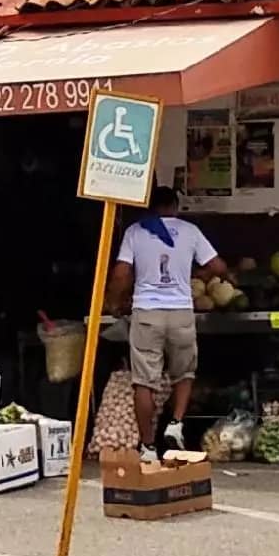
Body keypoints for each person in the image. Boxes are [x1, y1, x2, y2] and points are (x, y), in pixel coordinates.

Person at [105, 187, 229, 466]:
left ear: (150, 207)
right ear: (175, 206)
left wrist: (114, 301)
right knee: (184, 372)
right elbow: (219, 267)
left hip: (147, 313)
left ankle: (148, 447)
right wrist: (199, 274)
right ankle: (175, 424)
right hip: (181, 311)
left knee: (144, 382)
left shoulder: (135, 232)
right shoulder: (190, 231)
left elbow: (122, 273)